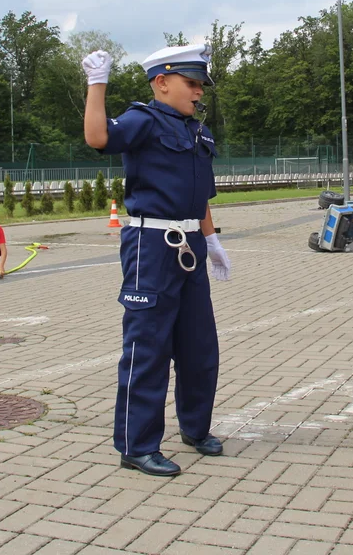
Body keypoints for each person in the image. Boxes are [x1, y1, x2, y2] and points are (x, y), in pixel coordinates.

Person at [82, 43, 232, 478]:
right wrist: (97, 84)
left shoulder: (198, 132)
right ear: (161, 82)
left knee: (198, 346)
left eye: (201, 84)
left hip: (191, 246)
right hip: (151, 245)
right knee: (147, 348)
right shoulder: (143, 120)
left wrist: (213, 241)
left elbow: (201, 197)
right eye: (191, 83)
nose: (199, 91)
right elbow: (98, 138)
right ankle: (137, 445)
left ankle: (195, 428)